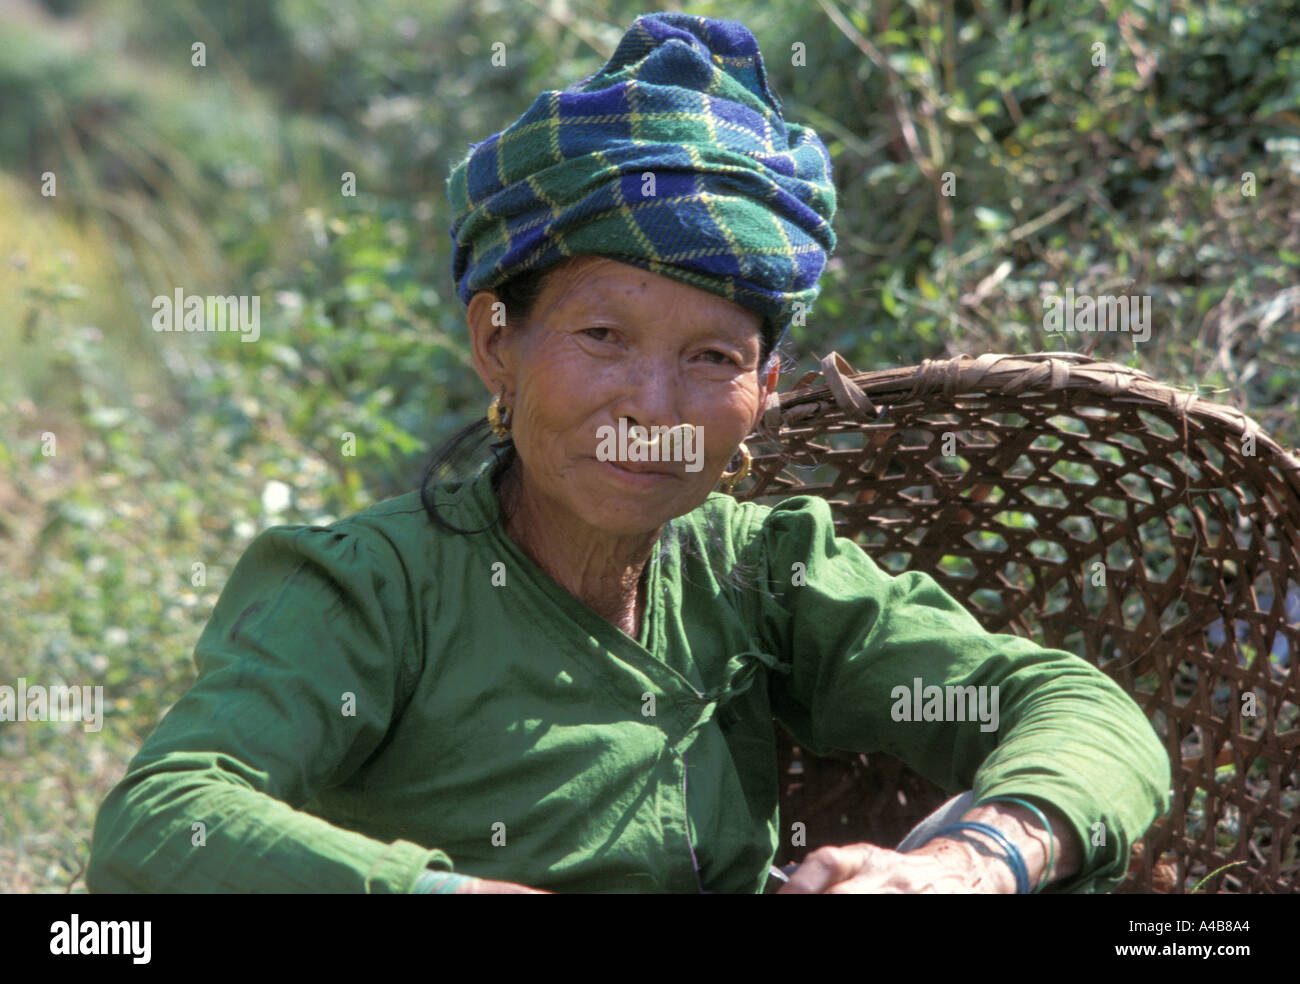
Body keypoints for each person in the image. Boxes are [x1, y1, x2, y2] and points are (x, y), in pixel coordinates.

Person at [86, 12, 1169, 895]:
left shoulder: (766, 574)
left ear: (766, 394)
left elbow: (1082, 714)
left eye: (711, 358)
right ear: (495, 344)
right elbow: (165, 817)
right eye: (602, 337)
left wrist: (968, 864)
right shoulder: (369, 590)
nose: (653, 405)